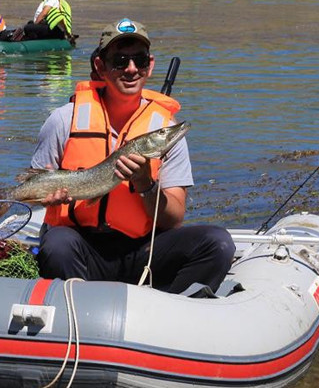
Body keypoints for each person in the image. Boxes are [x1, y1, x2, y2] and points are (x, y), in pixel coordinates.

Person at [32, 18, 236, 295]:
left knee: (217, 243)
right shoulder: (62, 120)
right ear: (100, 66)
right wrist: (45, 199)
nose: (131, 69)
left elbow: (173, 220)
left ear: (149, 65)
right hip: (81, 246)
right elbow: (35, 189)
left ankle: (171, 310)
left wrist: (145, 184)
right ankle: (79, 307)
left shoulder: (165, 130)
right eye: (120, 61)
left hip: (143, 252)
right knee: (57, 244)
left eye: (139, 60)